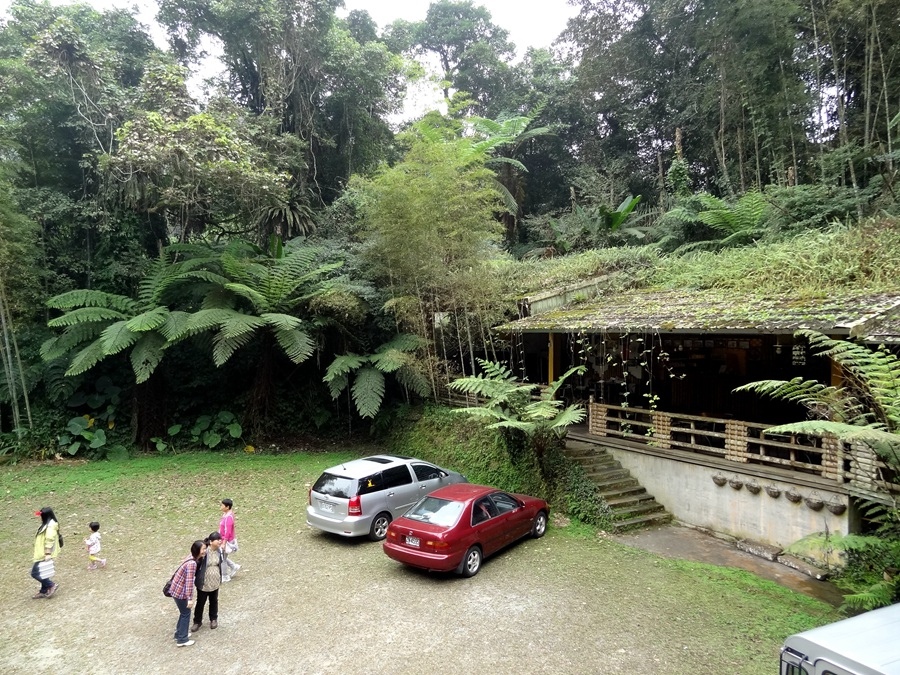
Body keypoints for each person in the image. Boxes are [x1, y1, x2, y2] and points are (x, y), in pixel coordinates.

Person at [169, 540, 204, 647]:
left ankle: (179, 633)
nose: (205, 551)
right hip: (180, 592)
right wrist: (190, 598)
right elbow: (189, 582)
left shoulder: (191, 557)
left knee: (183, 612)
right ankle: (182, 639)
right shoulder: (192, 564)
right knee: (186, 613)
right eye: (203, 549)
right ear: (197, 550)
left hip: (175, 590)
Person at [192, 532, 224, 632]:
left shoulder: (219, 551)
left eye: (220, 539)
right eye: (217, 539)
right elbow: (196, 560)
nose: (220, 541)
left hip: (215, 581)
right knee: (200, 602)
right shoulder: (205, 552)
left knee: (214, 601)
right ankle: (197, 621)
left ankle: (213, 619)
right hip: (204, 582)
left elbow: (220, 564)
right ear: (210, 542)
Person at [31, 507, 62, 599]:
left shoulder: (50, 526)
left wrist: (47, 554)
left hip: (44, 554)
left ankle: (51, 585)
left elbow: (49, 540)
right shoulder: (48, 524)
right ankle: (43, 591)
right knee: (42, 572)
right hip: (42, 552)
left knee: (35, 573)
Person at [219, 498, 241, 581]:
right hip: (223, 539)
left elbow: (227, 532)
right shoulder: (225, 515)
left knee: (222, 559)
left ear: (227, 507)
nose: (221, 506)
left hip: (227, 541)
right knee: (220, 556)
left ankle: (225, 576)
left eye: (222, 505)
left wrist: (224, 542)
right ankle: (233, 566)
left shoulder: (228, 517)